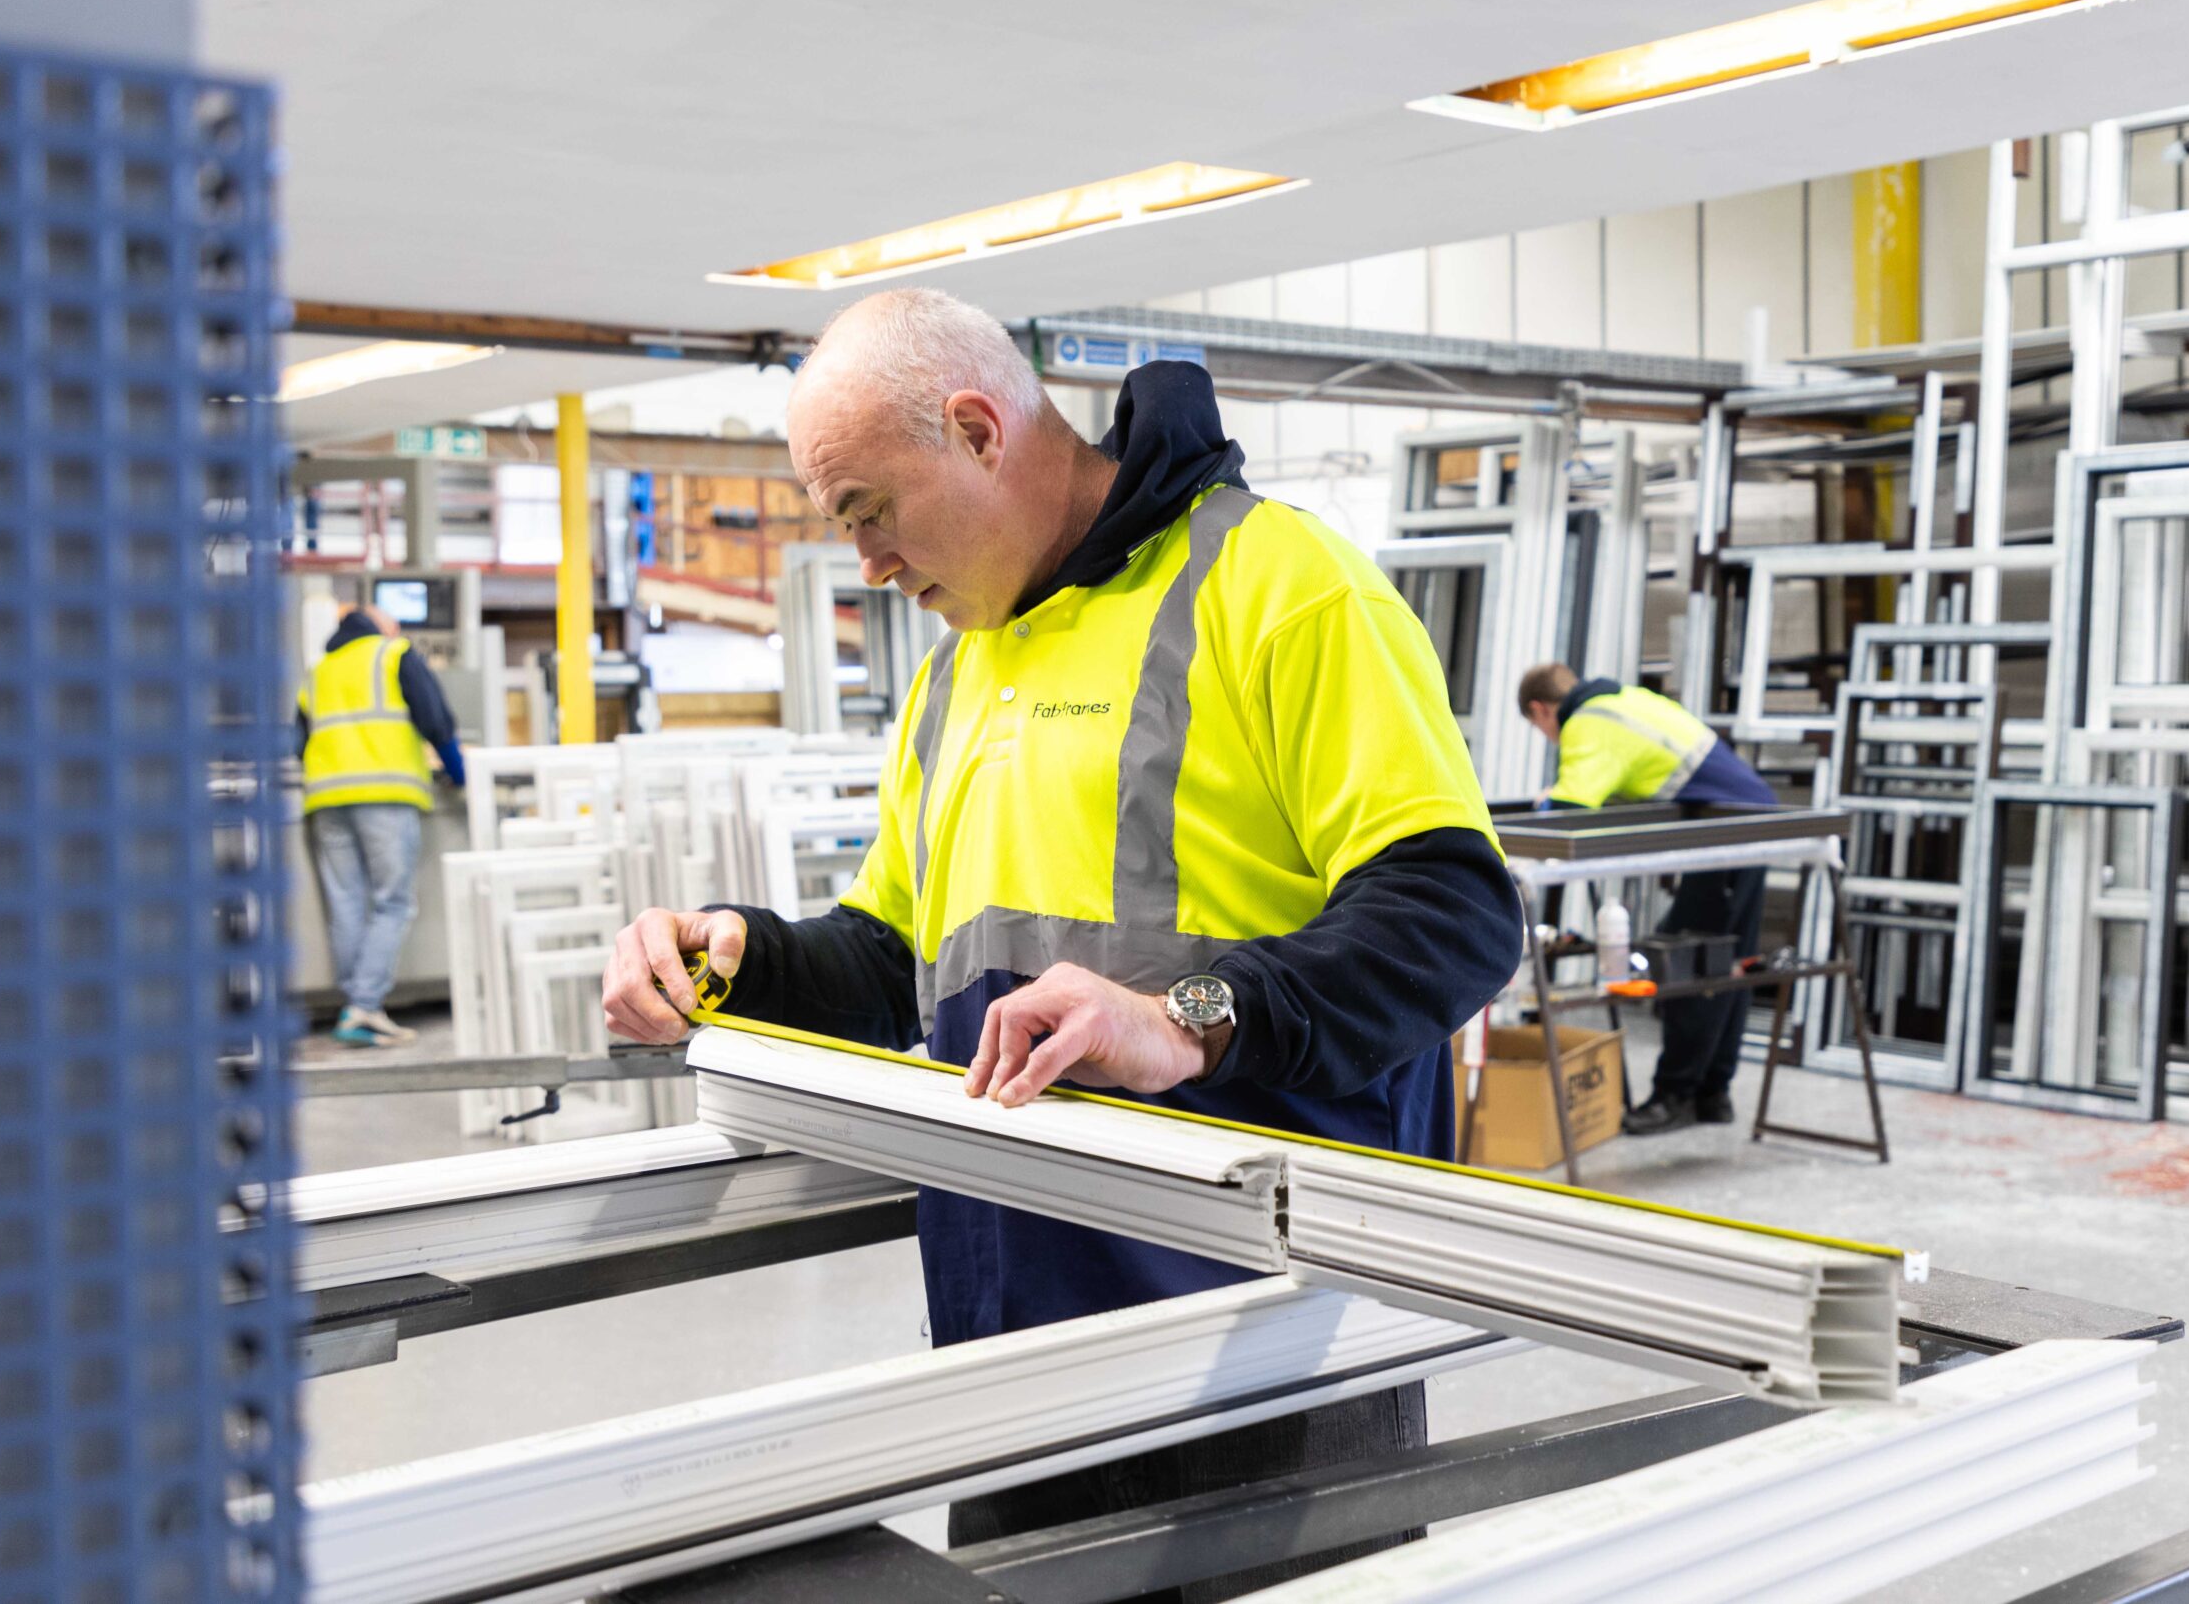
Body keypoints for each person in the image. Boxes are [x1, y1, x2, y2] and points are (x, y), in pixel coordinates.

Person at [601, 288, 1520, 1599]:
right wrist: (742, 958)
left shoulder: (1280, 584)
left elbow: (1453, 914)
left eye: (868, 508)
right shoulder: (957, 669)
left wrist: (1188, 1016)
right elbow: (894, 961)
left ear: (979, 430)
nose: (866, 563)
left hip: (1263, 1344)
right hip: (1016, 1335)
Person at [1517, 662, 1776, 1136]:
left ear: (1540, 710)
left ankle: (1675, 1096)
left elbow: (1571, 809)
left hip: (1730, 831)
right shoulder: (1624, 700)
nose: (1550, 738)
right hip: (1752, 823)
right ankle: (1712, 1094)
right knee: (1727, 963)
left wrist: (1546, 800)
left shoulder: (1587, 722)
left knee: (1688, 961)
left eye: (1539, 728)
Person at [298, 602, 466, 1047]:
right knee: (393, 902)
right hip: (385, 794)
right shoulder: (394, 654)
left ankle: (354, 1005)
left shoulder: (320, 671)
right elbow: (436, 720)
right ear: (380, 626)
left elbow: (298, 740)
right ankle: (363, 1007)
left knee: (347, 903)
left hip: (326, 798)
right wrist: (459, 772)